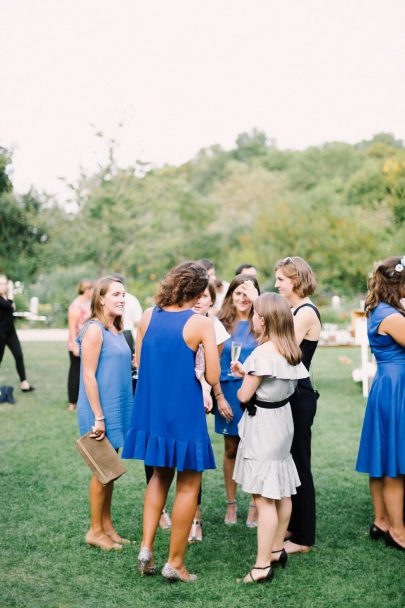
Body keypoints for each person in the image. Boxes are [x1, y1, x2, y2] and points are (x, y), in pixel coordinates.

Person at [122, 262, 220, 582]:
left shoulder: (148, 316)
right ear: (195, 291)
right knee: (189, 483)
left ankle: (146, 549)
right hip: (184, 411)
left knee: (159, 478)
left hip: (152, 410)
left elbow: (139, 360)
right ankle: (175, 563)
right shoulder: (200, 323)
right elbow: (213, 376)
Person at [232, 293, 309, 583]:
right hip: (282, 422)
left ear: (263, 320)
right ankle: (276, 549)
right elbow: (270, 382)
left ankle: (262, 565)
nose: (252, 317)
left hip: (264, 426)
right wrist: (248, 373)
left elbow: (243, 396)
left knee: (264, 497)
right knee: (283, 489)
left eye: (255, 313)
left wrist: (245, 378)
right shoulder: (290, 351)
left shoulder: (262, 354)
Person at [77, 276, 133, 551]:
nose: (122, 299)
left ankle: (107, 526)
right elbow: (88, 375)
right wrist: (99, 417)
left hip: (118, 408)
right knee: (102, 471)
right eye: (116, 294)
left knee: (111, 470)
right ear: (100, 298)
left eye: (123, 294)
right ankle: (95, 530)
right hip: (100, 411)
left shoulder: (115, 328)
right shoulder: (94, 330)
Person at [356, 256, 405, 551]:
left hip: (387, 384)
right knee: (395, 464)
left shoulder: (379, 309)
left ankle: (381, 520)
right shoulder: (393, 316)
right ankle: (398, 530)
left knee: (382, 457)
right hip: (397, 386)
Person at [274, 256, 321, 555]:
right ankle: (293, 523)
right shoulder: (292, 310)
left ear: (295, 279)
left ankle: (304, 537)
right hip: (288, 394)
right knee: (290, 462)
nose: (277, 283)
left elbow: (283, 351)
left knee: (300, 463)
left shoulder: (304, 312)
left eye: (280, 278)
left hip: (299, 397)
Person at [215, 274, 260, 527]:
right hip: (228, 393)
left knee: (254, 449)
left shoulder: (262, 322)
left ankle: (255, 504)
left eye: (247, 293)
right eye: (238, 293)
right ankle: (231, 504)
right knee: (231, 448)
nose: (242, 298)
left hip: (255, 391)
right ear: (230, 295)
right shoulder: (220, 323)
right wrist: (219, 396)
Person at [188, 282, 230, 542]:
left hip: (199, 394)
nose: (198, 300)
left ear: (211, 302)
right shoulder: (179, 321)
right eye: (195, 294)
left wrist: (212, 393)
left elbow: (212, 370)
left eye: (204, 296)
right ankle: (162, 511)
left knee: (193, 457)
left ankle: (196, 517)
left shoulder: (216, 329)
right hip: (175, 389)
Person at [0, 274, 34, 392]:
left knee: (19, 355)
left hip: (11, 332)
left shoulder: (5, 298)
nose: (3, 286)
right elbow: (10, 306)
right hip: (0, 334)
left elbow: (11, 308)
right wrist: (10, 294)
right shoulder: (4, 299)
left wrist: (9, 297)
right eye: (0, 284)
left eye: (4, 283)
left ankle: (24, 383)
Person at [67, 280, 94, 411]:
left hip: (88, 343)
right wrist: (75, 346)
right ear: (86, 290)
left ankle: (83, 400)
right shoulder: (76, 306)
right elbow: (72, 328)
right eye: (92, 289)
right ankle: (72, 402)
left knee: (86, 372)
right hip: (77, 344)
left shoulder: (88, 303)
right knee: (75, 373)